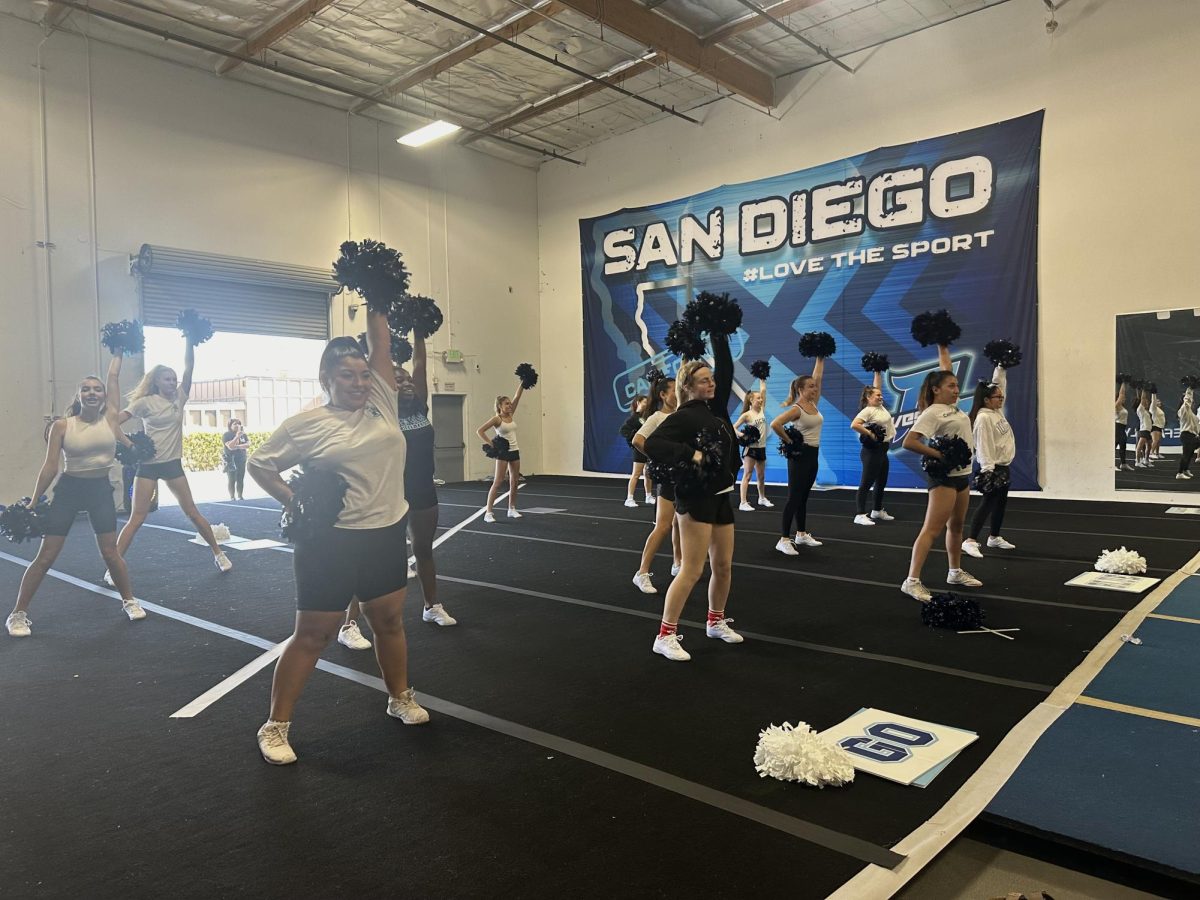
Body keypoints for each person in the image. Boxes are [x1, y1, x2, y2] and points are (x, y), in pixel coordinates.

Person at [248, 314, 429, 766]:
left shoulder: (383, 402)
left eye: (364, 373)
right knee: (314, 634)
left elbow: (380, 340)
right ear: (326, 378)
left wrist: (376, 290)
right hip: (330, 542)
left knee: (388, 622)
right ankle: (275, 726)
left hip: (385, 532)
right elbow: (259, 464)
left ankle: (399, 698)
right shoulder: (304, 424)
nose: (359, 381)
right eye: (347, 375)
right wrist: (295, 502)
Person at [7, 354, 145, 637]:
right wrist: (33, 500)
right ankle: (17, 614)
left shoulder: (110, 417)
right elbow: (50, 467)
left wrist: (118, 348)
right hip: (69, 490)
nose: (92, 392)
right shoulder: (62, 426)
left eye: (97, 389)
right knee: (46, 556)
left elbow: (114, 376)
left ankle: (129, 600)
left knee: (111, 552)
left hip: (100, 491)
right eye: (86, 389)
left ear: (104, 395)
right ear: (79, 396)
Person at [338, 331, 456, 652]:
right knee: (370, 560)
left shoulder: (421, 407)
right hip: (388, 495)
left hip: (422, 492)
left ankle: (431, 606)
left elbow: (419, 364)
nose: (405, 383)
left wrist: (420, 333)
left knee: (424, 551)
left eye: (407, 381)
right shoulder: (380, 413)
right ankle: (349, 624)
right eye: (397, 379)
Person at [644, 336, 742, 662]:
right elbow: (651, 444)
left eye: (711, 379)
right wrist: (692, 454)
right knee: (691, 569)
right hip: (696, 499)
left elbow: (726, 370)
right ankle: (665, 634)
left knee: (724, 566)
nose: (711, 383)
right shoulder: (684, 416)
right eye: (704, 380)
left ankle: (715, 621)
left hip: (721, 497)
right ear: (688, 386)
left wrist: (718, 335)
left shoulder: (714, 413)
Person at [110, 334, 231, 580]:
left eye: (174, 379)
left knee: (192, 512)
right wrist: (130, 444)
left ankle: (218, 553)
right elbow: (113, 422)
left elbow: (190, 369)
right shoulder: (144, 403)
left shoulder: (180, 397)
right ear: (156, 381)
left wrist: (189, 339)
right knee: (136, 518)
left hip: (173, 465)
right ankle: (113, 567)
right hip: (148, 467)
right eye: (167, 378)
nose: (172, 382)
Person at [899, 345, 982, 602]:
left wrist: (943, 346)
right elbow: (909, 442)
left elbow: (946, 368)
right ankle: (911, 581)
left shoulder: (954, 409)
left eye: (957, 386)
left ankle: (954, 572)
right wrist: (940, 456)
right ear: (936, 389)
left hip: (962, 476)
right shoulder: (932, 412)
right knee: (932, 529)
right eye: (951, 386)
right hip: (944, 479)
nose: (957, 390)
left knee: (956, 527)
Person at [770, 356, 827, 555]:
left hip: (814, 454)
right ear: (801, 390)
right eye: (810, 387)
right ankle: (783, 538)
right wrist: (790, 441)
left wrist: (820, 357)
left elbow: (818, 377)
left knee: (803, 497)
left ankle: (801, 534)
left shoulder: (814, 404)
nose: (815, 388)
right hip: (800, 456)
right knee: (794, 497)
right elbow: (775, 424)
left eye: (815, 386)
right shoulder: (797, 408)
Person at [630, 375, 681, 594]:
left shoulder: (681, 415)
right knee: (663, 525)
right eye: (673, 391)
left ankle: (677, 563)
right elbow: (637, 440)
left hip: (683, 476)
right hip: (667, 477)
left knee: (680, 522)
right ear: (663, 395)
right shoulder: (657, 417)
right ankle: (641, 573)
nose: (678, 394)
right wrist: (657, 457)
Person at [962, 365, 1017, 558]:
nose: (1001, 398)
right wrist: (988, 470)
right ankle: (970, 540)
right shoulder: (984, 417)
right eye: (998, 397)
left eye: (1001, 396)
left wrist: (1000, 366)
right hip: (992, 468)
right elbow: (983, 445)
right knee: (987, 502)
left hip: (1003, 466)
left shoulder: (996, 412)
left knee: (1001, 503)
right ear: (986, 400)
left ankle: (994, 537)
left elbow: (999, 383)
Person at [849, 370, 896, 526]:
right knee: (866, 483)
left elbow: (877, 386)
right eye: (877, 395)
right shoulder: (868, 410)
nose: (880, 396)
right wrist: (869, 433)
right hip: (871, 452)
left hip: (883, 450)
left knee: (881, 481)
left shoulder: (880, 407)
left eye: (881, 395)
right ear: (869, 398)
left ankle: (876, 510)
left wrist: (877, 372)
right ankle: (860, 514)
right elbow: (854, 424)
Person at [477, 379, 526, 523]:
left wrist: (523, 381)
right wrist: (492, 444)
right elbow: (480, 431)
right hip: (503, 452)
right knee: (498, 482)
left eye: (510, 403)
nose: (510, 405)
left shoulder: (511, 415)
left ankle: (511, 508)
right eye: (507, 404)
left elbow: (518, 396)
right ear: (500, 406)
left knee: (514, 481)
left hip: (514, 450)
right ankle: (488, 512)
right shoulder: (497, 419)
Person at [734, 376, 773, 512]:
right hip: (750, 450)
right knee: (748, 475)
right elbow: (733, 427)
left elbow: (763, 391)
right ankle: (743, 502)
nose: (761, 400)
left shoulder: (762, 410)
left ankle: (761, 498)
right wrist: (742, 435)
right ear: (751, 400)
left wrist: (762, 378)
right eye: (758, 398)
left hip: (761, 448)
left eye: (761, 399)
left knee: (761, 476)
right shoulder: (747, 415)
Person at [620, 394, 653, 507]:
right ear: (638, 403)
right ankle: (629, 498)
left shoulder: (647, 417)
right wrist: (633, 437)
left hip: (647, 448)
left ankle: (648, 496)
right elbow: (623, 430)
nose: (647, 404)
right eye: (645, 402)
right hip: (638, 449)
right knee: (636, 474)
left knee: (648, 473)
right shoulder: (633, 418)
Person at [223, 418, 250, 501]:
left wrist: (238, 447)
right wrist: (237, 437)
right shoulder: (227, 435)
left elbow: (248, 444)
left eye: (238, 424)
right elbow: (230, 446)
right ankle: (232, 496)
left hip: (241, 458)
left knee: (240, 478)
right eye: (235, 424)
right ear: (230, 425)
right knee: (232, 478)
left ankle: (240, 495)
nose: (237, 425)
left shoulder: (243, 435)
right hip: (231, 459)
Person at [1177, 383, 1198, 480]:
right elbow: (1187, 400)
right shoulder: (1183, 410)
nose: (1192, 402)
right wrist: (1190, 388)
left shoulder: (1193, 415)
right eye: (1191, 401)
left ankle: (1185, 469)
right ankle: (1179, 473)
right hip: (1186, 435)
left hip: (1193, 436)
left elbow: (1196, 426)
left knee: (1190, 454)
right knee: (1186, 454)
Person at [1114, 381, 1133, 472]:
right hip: (1117, 427)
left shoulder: (1122, 407)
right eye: (1123, 398)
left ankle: (1123, 464)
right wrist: (1123, 382)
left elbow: (1121, 395)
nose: (1124, 398)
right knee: (1114, 445)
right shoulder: (1117, 406)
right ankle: (1110, 464)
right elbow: (1121, 394)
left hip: (1122, 428)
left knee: (1123, 445)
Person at [1134, 388, 1153, 468]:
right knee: (1139, 447)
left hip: (1148, 431)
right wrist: (1144, 390)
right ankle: (1137, 462)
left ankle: (1146, 460)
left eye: (1148, 402)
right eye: (1145, 402)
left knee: (1149, 446)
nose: (1147, 402)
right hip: (1143, 430)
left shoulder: (1147, 411)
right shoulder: (1140, 410)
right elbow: (1142, 398)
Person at [1150, 395, 1166, 460]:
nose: (1160, 402)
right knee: (1155, 440)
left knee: (1158, 441)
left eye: (1160, 401)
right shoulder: (1153, 408)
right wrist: (1154, 394)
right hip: (1155, 426)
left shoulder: (1159, 409)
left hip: (1159, 426)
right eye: (1158, 401)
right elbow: (1153, 401)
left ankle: (1157, 453)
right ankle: (1151, 453)